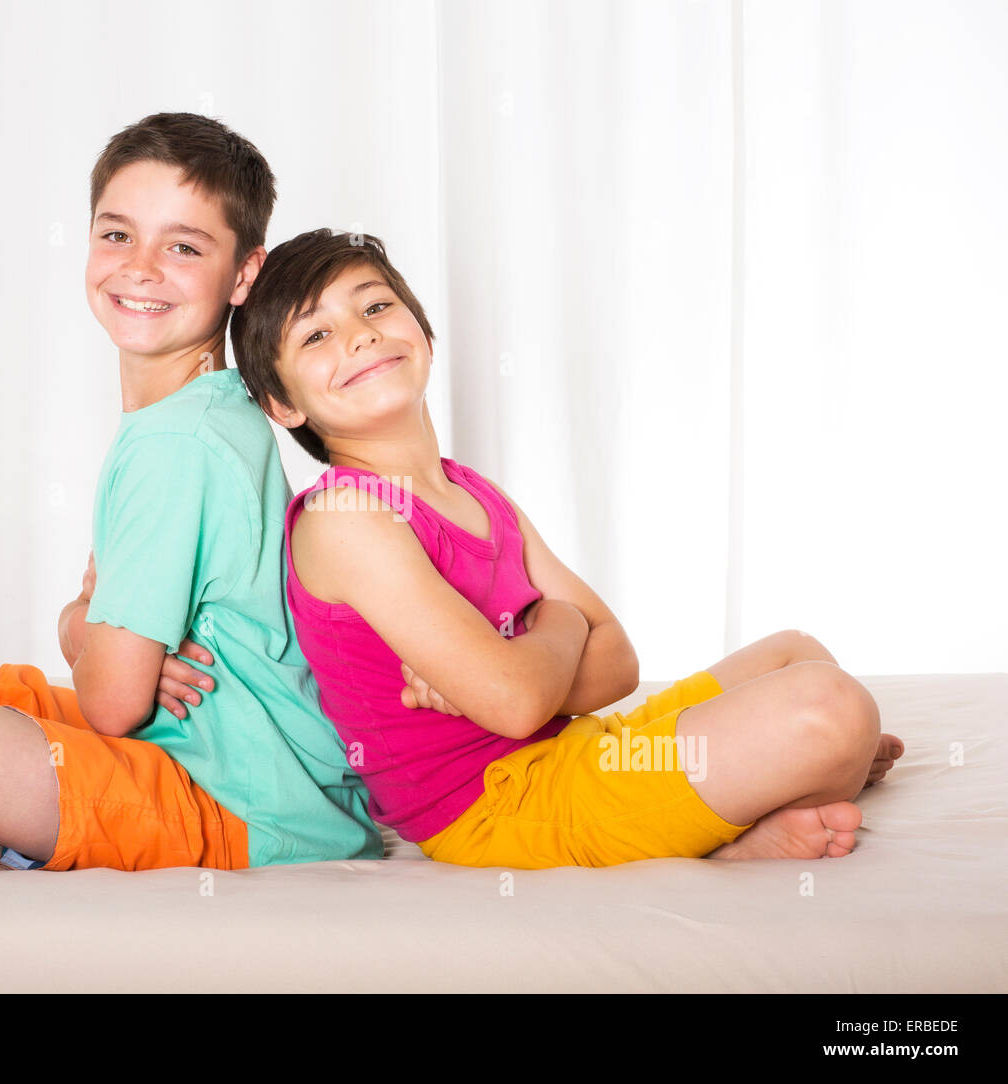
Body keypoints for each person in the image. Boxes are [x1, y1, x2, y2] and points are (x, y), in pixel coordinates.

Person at [230, 227, 905, 868]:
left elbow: (618, 664)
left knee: (798, 651)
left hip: (569, 751)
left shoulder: (474, 493)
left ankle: (746, 803)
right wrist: (555, 627)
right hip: (499, 805)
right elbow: (520, 701)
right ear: (283, 404)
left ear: (425, 335)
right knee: (830, 709)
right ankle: (735, 831)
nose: (361, 335)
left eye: (376, 305)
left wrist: (511, 673)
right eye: (317, 334)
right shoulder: (346, 516)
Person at [0, 117, 381, 872]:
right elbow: (122, 658)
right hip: (206, 741)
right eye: (118, 235)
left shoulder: (178, 444)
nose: (141, 268)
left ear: (244, 274)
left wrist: (84, 628)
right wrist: (104, 636)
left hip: (244, 806)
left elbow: (114, 701)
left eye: (183, 247)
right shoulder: (203, 407)